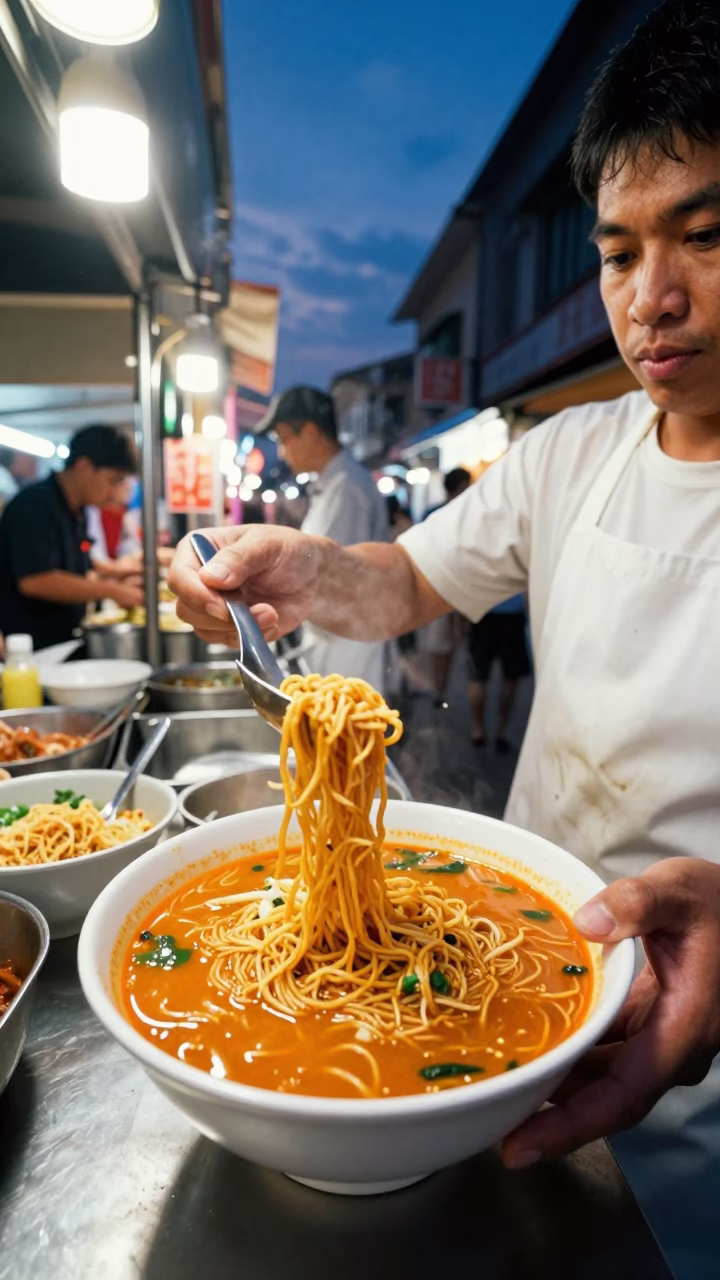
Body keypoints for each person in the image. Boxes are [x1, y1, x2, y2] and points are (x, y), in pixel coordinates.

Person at [169, 3, 720, 1272]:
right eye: (619, 250)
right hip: (506, 1010)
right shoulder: (569, 450)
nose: (655, 297)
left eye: (703, 233)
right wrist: (301, 567)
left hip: (705, 1087)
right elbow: (406, 576)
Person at [257, 385, 389, 689]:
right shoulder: (331, 484)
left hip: (350, 643)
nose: (281, 450)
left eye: (283, 438)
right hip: (331, 636)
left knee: (348, 726)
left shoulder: (347, 489)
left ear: (311, 432)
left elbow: (332, 568)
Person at [0, 424, 143, 650]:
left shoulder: (78, 510)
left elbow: (83, 565)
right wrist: (113, 591)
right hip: (33, 648)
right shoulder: (35, 504)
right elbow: (36, 581)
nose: (115, 492)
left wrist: (124, 574)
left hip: (66, 640)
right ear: (85, 466)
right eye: (113, 480)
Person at [419, 468, 471, 705]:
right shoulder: (440, 515)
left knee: (448, 644)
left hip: (460, 588)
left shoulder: (467, 514)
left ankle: (440, 688)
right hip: (440, 588)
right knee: (441, 644)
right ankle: (438, 689)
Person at [467, 594, 531, 750]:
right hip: (513, 614)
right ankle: (501, 732)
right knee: (510, 677)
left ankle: (478, 729)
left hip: (482, 610)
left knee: (478, 676)